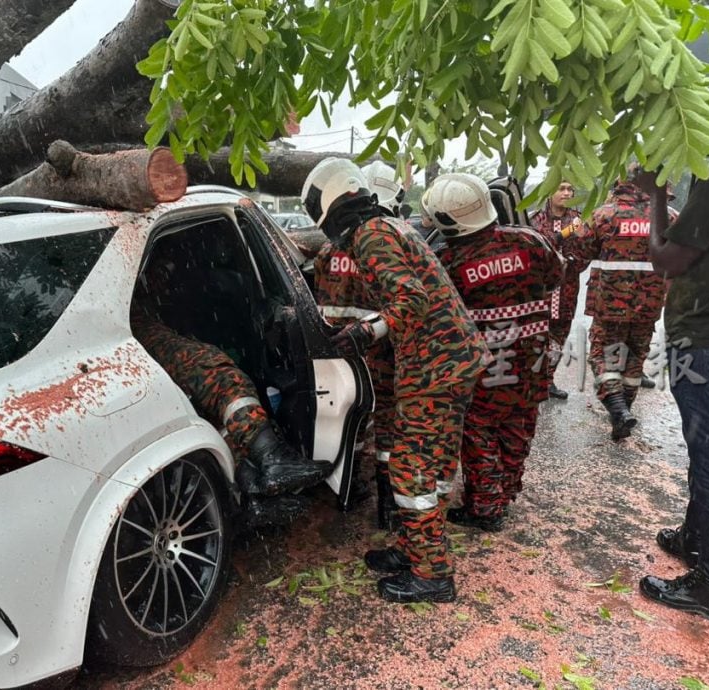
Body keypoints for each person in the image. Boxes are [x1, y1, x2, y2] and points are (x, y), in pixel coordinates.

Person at [301, 158, 488, 604]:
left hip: (436, 367)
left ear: (332, 201)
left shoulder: (372, 236)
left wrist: (366, 331)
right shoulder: (390, 227)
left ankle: (433, 575)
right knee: (437, 463)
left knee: (409, 466)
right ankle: (412, 549)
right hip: (451, 362)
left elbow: (411, 299)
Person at [426, 173, 563, 532]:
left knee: (478, 430)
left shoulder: (448, 262)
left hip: (484, 364)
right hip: (531, 358)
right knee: (519, 423)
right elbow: (556, 277)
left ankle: (485, 507)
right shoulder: (531, 241)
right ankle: (506, 491)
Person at [129, 302, 331, 501]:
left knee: (208, 416)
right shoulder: (143, 325)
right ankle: (273, 457)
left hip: (136, 376)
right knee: (223, 379)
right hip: (140, 339)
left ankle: (252, 491)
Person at [636, 165, 709, 621]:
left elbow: (666, 259)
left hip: (708, 339)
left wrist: (655, 196)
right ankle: (696, 538)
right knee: (707, 449)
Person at [314, 160, 401, 529]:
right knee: (386, 424)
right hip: (379, 351)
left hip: (341, 353)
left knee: (349, 420)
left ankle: (346, 490)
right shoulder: (383, 246)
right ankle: (388, 504)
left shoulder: (325, 254)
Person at [575, 165, 669, 441]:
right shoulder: (667, 217)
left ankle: (618, 411)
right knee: (635, 356)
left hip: (609, 304)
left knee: (603, 356)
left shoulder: (604, 215)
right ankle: (624, 410)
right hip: (649, 304)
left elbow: (581, 249)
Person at [530, 179, 590, 399]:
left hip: (566, 289)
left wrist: (571, 261)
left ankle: (547, 380)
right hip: (539, 292)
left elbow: (586, 253)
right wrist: (564, 234)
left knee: (558, 337)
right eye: (561, 188)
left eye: (570, 188)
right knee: (535, 337)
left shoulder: (579, 219)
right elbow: (535, 249)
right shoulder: (535, 219)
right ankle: (531, 381)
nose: (566, 192)